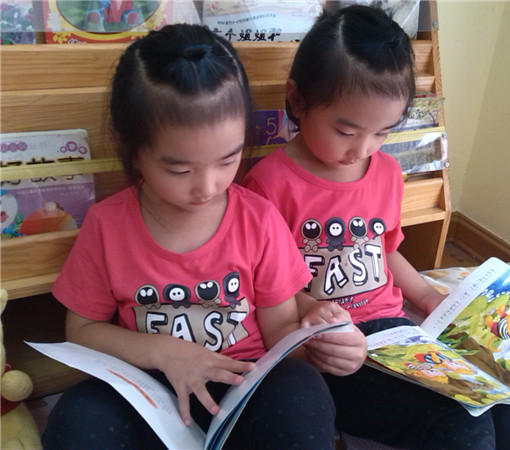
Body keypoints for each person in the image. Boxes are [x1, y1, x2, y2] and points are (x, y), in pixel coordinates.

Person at [242, 5, 510, 449]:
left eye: (382, 133)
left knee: (506, 409)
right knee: (461, 422)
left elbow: (385, 251)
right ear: (297, 100)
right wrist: (311, 307)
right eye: (346, 131)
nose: (362, 149)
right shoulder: (268, 185)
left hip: (397, 333)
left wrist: (427, 298)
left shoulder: (386, 173)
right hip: (333, 350)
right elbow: (262, 285)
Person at [42, 23, 365, 450]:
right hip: (149, 391)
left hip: (239, 385)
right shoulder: (107, 224)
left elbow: (280, 330)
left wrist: (328, 345)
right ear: (129, 145)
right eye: (178, 169)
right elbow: (82, 331)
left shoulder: (258, 219)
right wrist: (164, 352)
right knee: (80, 412)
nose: (207, 187)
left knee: (301, 389)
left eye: (227, 160)